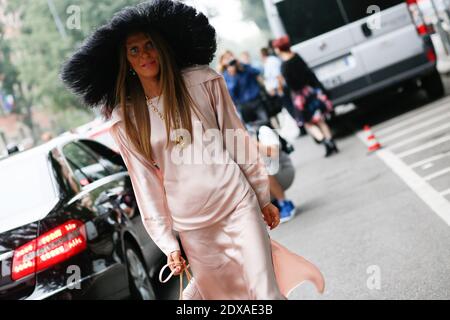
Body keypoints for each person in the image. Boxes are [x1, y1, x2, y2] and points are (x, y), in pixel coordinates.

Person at [61, 0, 324, 299]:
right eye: (134, 50)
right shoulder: (126, 120)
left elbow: (235, 138)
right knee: (229, 299)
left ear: (161, 46)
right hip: (193, 226)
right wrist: (168, 244)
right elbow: (145, 185)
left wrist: (262, 196)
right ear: (126, 62)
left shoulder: (203, 82)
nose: (144, 54)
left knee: (266, 291)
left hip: (237, 202)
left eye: (149, 45)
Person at [272, 36, 339, 157]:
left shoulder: (284, 67)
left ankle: (325, 142)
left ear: (279, 49)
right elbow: (309, 73)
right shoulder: (297, 56)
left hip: (299, 97)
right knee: (320, 120)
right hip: (310, 91)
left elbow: (290, 85)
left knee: (308, 123)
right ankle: (331, 142)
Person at [249, 123, 296, 223]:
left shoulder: (262, 130)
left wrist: (252, 142)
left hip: (282, 171)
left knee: (261, 169)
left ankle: (284, 203)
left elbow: (274, 153)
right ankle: (273, 204)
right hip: (264, 180)